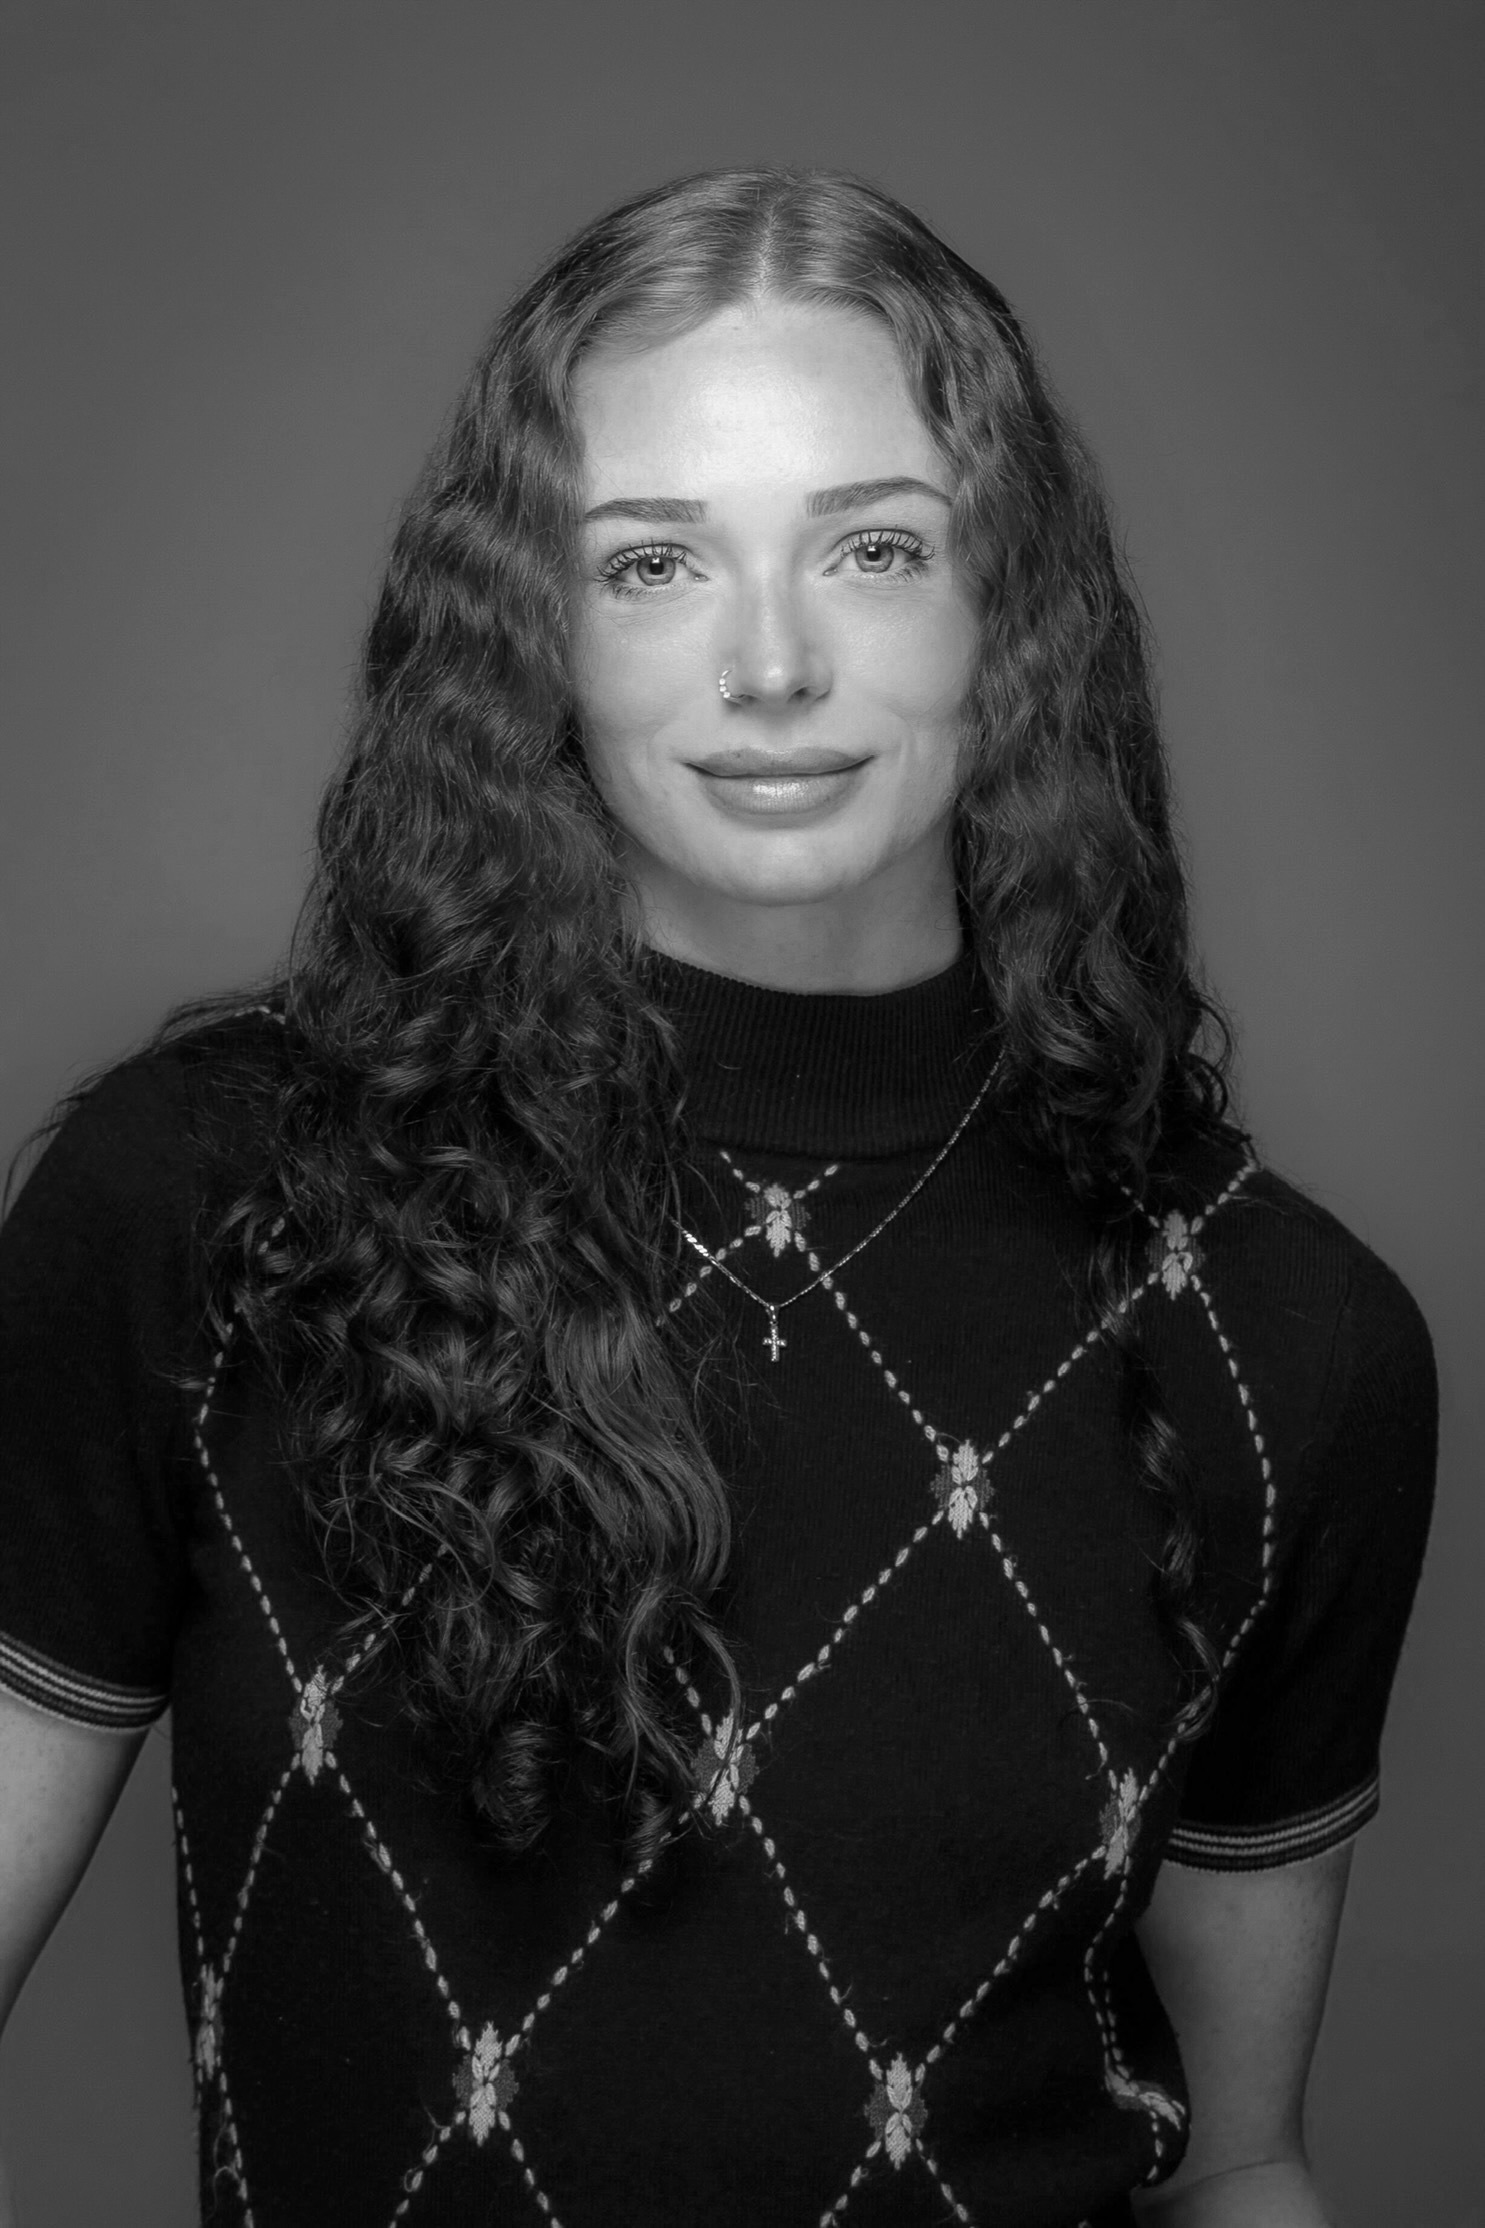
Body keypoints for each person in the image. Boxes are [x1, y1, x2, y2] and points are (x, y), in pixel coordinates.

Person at [0, 168, 1436, 2228]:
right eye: (654, 560)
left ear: (1007, 605)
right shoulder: (207, 1203)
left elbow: (1241, 2171)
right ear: (538, 635)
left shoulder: (1291, 1335)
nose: (771, 660)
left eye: (870, 546)